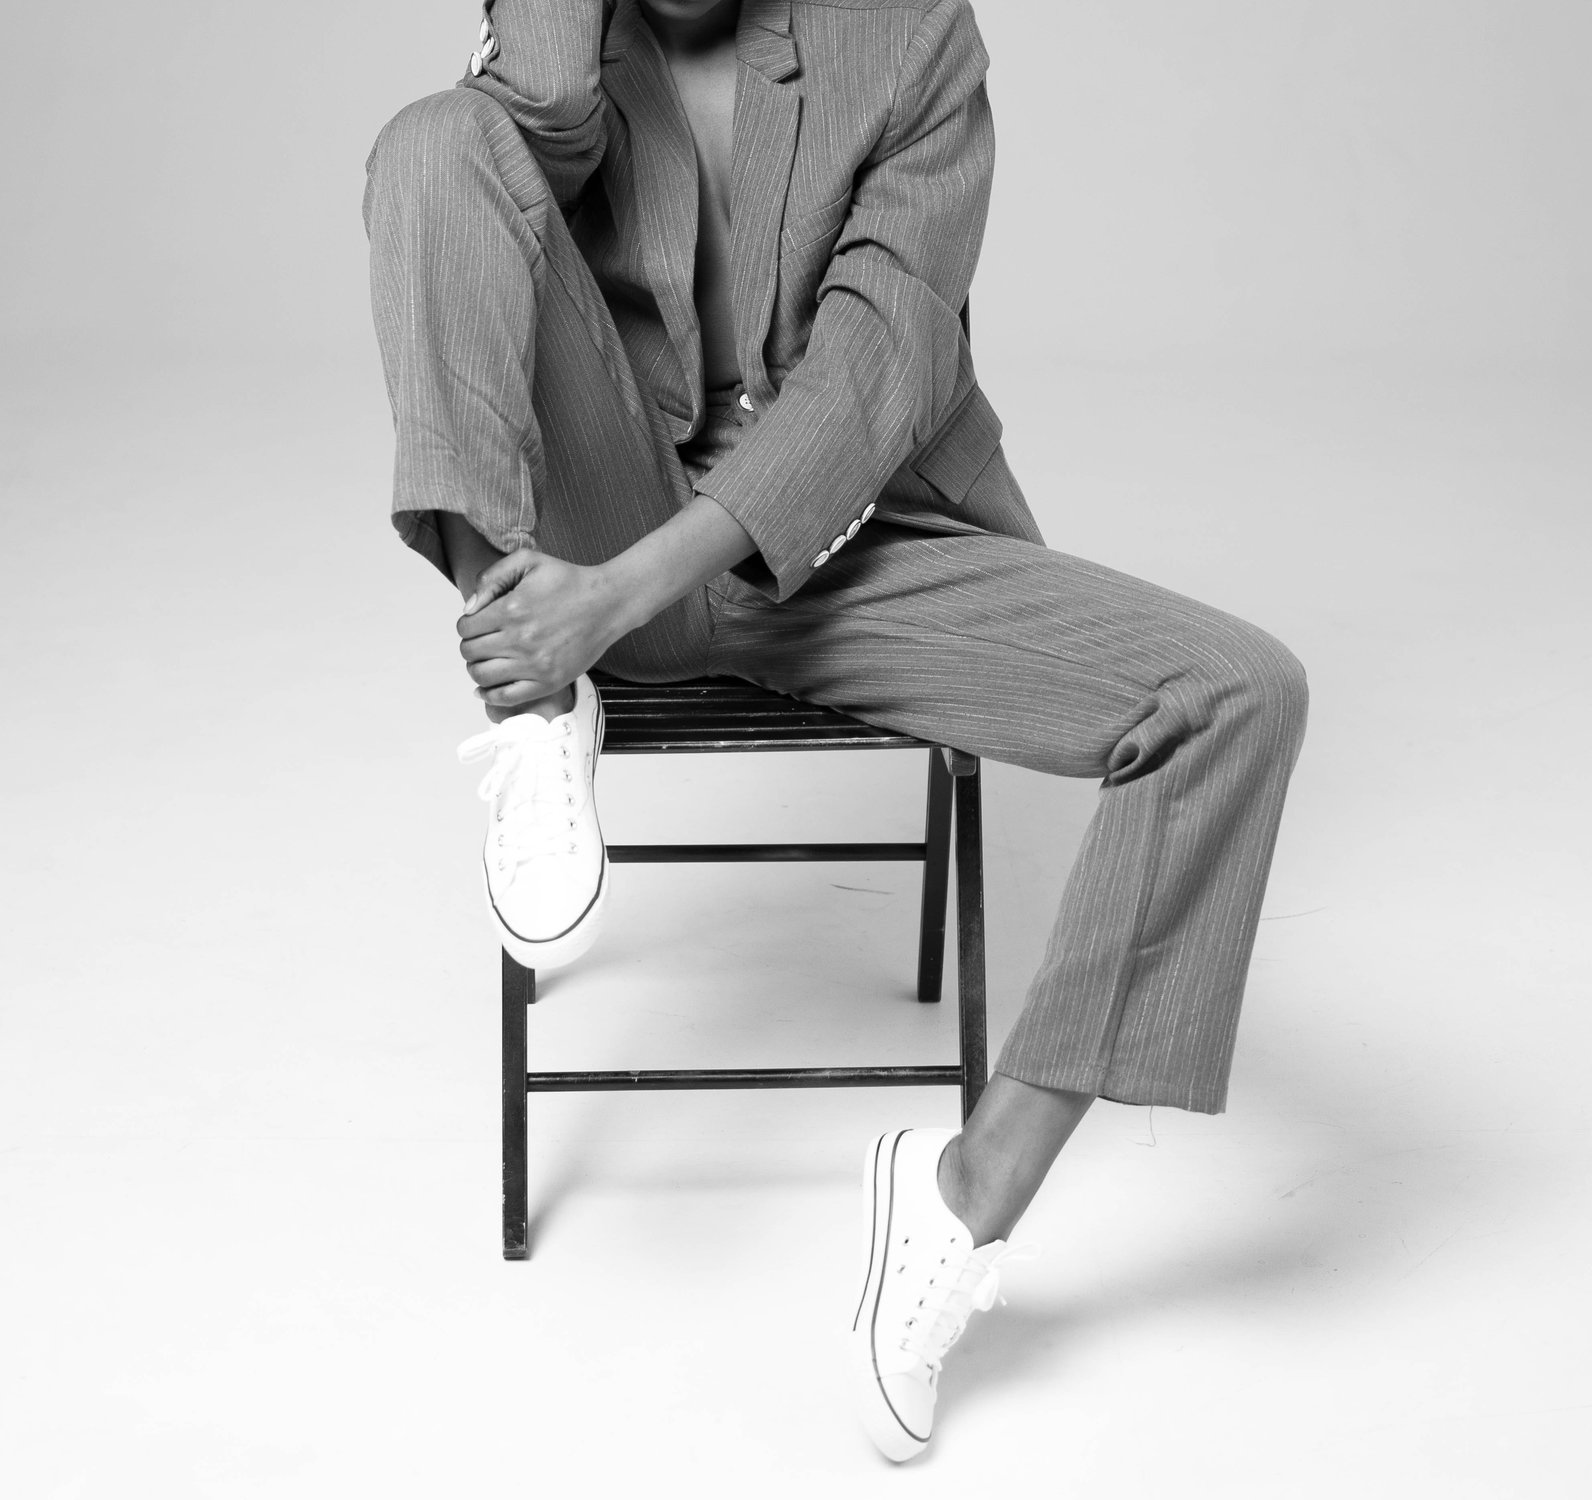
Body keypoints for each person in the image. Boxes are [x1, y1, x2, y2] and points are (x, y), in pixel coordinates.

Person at [364, 0, 1308, 1462]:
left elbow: (877, 374)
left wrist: (626, 594)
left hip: (844, 549)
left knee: (1237, 696)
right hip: (589, 534)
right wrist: (573, 618)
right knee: (432, 144)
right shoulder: (572, 46)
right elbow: (519, 139)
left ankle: (962, 1205)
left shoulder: (915, 36)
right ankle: (533, 695)